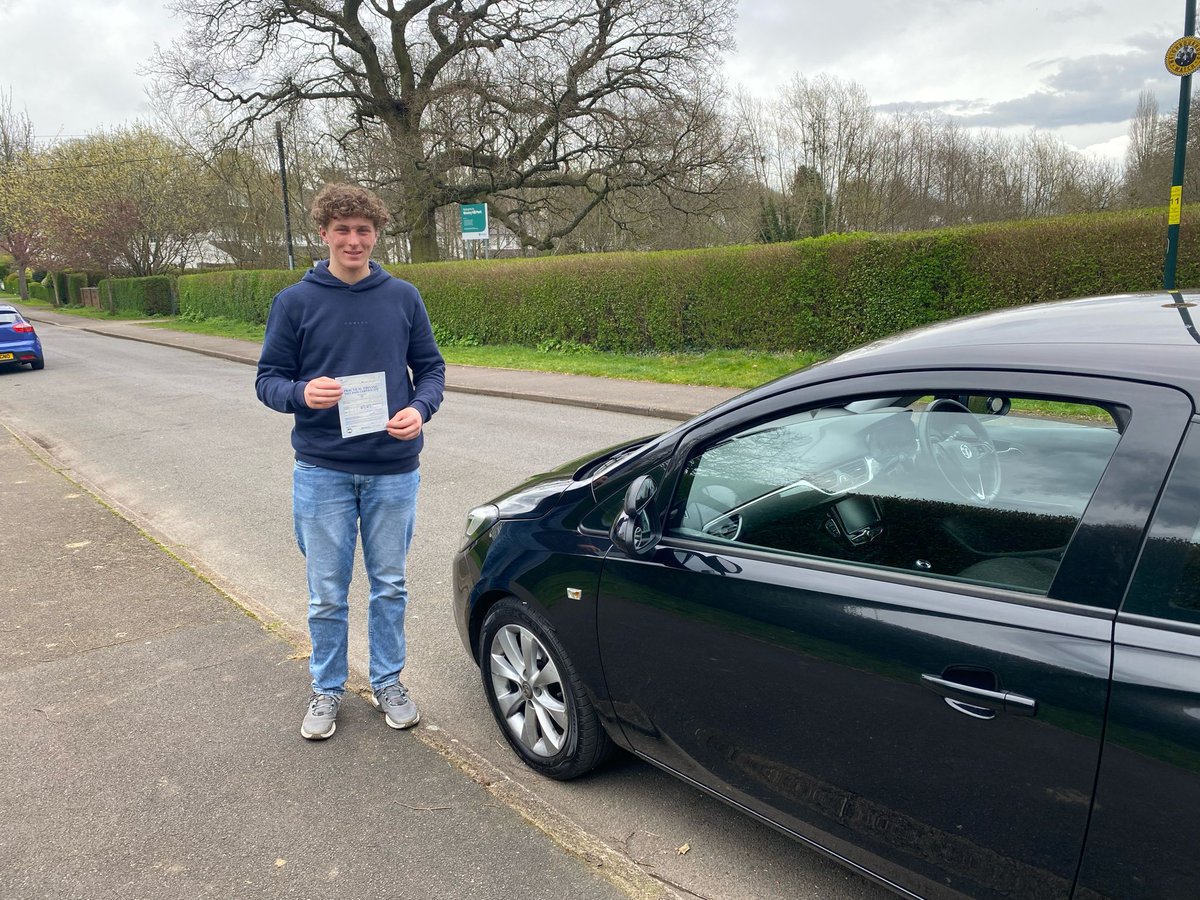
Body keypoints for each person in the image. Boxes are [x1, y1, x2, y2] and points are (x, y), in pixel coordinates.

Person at [255, 183, 445, 740]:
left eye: (364, 230)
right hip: (322, 469)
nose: (354, 240)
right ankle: (328, 688)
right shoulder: (295, 302)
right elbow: (267, 380)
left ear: (376, 234)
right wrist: (300, 395)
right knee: (326, 591)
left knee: (389, 584)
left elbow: (430, 370)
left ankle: (387, 679)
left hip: (393, 468)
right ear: (324, 234)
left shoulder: (403, 297)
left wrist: (420, 409)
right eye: (343, 230)